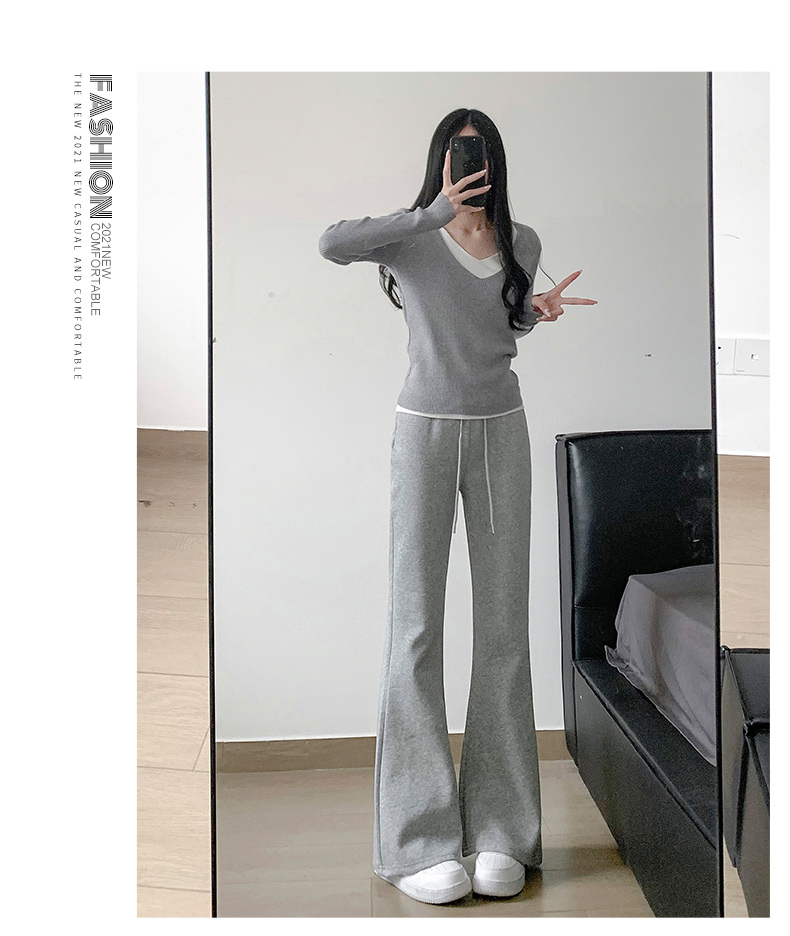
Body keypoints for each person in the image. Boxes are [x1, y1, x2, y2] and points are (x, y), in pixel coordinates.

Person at [318, 108, 596, 906]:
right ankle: (417, 840)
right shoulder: (411, 237)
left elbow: (496, 330)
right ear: (440, 161)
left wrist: (531, 314)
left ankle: (503, 831)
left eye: (478, 154)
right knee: (416, 628)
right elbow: (332, 242)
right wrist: (432, 213)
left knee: (504, 629)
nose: (468, 164)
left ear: (495, 162)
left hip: (501, 432)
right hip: (424, 436)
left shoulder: (523, 243)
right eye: (455, 152)